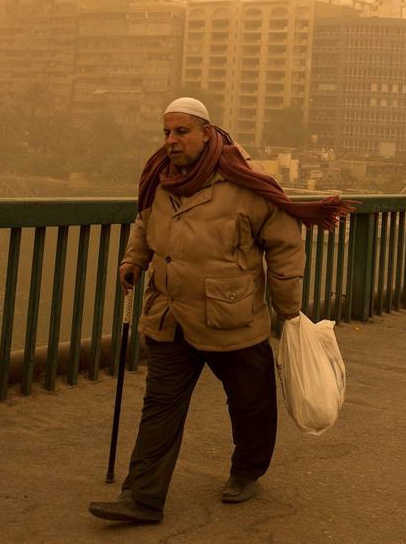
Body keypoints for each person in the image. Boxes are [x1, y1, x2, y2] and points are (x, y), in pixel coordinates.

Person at [89, 98, 357, 525]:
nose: (171, 141)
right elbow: (145, 222)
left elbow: (285, 243)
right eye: (166, 133)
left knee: (250, 402)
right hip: (170, 313)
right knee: (160, 405)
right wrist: (133, 261)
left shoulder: (245, 183)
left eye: (181, 132)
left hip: (232, 316)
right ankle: (141, 497)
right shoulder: (160, 179)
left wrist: (288, 310)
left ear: (207, 133)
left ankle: (248, 469)